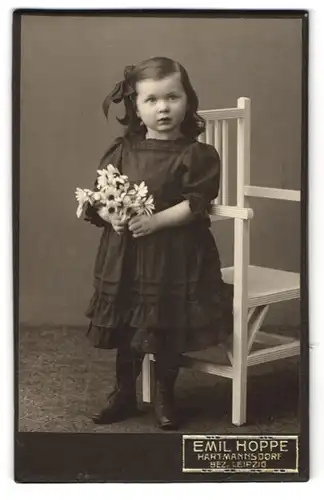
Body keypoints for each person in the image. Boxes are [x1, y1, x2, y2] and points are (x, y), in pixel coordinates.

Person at [84, 56, 233, 430]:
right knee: (126, 324)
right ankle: (123, 393)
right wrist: (110, 215)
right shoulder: (123, 150)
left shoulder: (197, 154)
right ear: (135, 106)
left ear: (188, 100)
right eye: (151, 100)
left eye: (172, 97)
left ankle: (166, 395)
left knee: (165, 325)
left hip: (174, 255)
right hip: (127, 255)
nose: (163, 107)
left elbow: (195, 204)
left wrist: (155, 222)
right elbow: (100, 196)